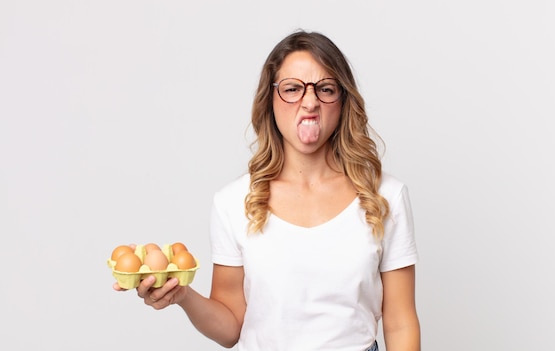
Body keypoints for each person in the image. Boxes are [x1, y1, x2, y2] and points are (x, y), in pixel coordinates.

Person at [114, 30, 420, 351]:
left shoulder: (386, 196)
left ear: (343, 101)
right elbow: (231, 327)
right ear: (270, 100)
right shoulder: (233, 202)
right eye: (292, 89)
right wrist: (183, 295)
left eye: (326, 89)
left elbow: (400, 323)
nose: (310, 102)